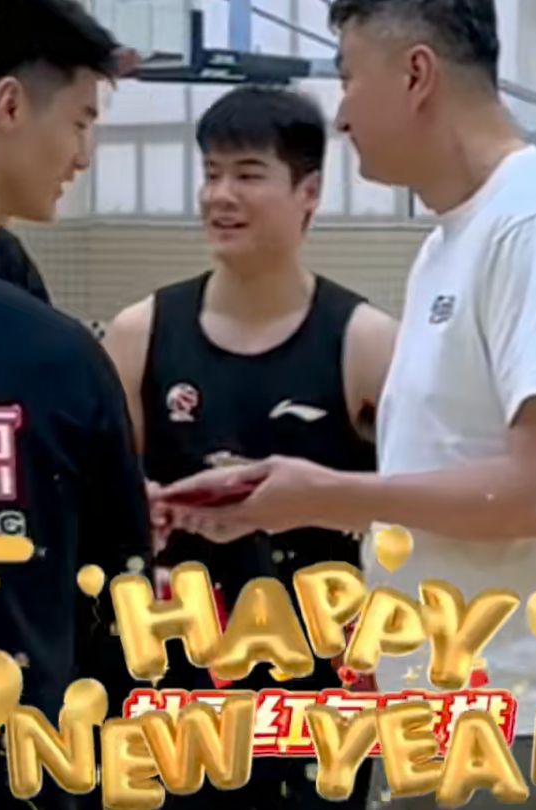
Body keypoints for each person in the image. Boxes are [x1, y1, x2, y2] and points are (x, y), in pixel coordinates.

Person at [156, 0, 536, 809]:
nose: (341, 113)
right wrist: (290, 503)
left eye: (349, 77)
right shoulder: (451, 240)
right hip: (439, 705)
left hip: (529, 720)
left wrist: (327, 494)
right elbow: (447, 471)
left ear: (417, 74)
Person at [103, 84, 397, 809]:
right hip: (176, 689)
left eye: (247, 174)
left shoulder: (367, 344)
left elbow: (412, 514)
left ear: (309, 192)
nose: (220, 195)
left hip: (320, 700)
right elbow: (99, 507)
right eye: (210, 173)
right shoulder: (140, 335)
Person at [0, 0, 152, 808]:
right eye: (80, 122)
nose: (83, 157)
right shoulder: (52, 349)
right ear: (10, 104)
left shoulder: (16, 282)